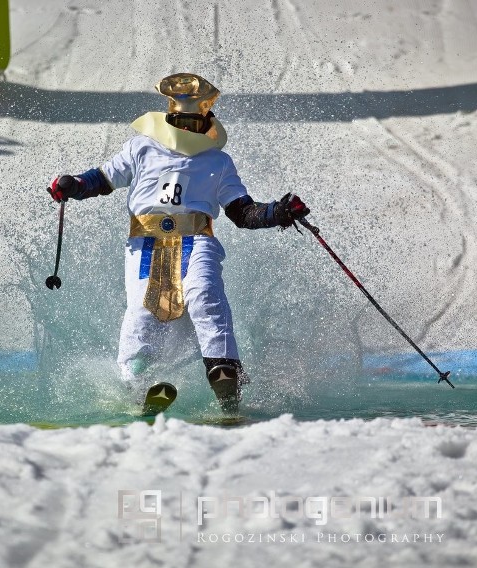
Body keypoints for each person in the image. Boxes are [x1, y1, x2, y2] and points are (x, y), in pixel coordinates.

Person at [47, 73, 309, 412]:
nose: (186, 127)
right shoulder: (141, 147)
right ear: (170, 116)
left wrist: (278, 211)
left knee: (204, 296)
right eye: (180, 120)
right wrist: (74, 184)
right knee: (143, 311)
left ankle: (224, 371)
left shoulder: (218, 161)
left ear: (205, 120)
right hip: (145, 242)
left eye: (193, 120)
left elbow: (243, 212)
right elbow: (104, 178)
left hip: (197, 239)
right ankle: (135, 385)